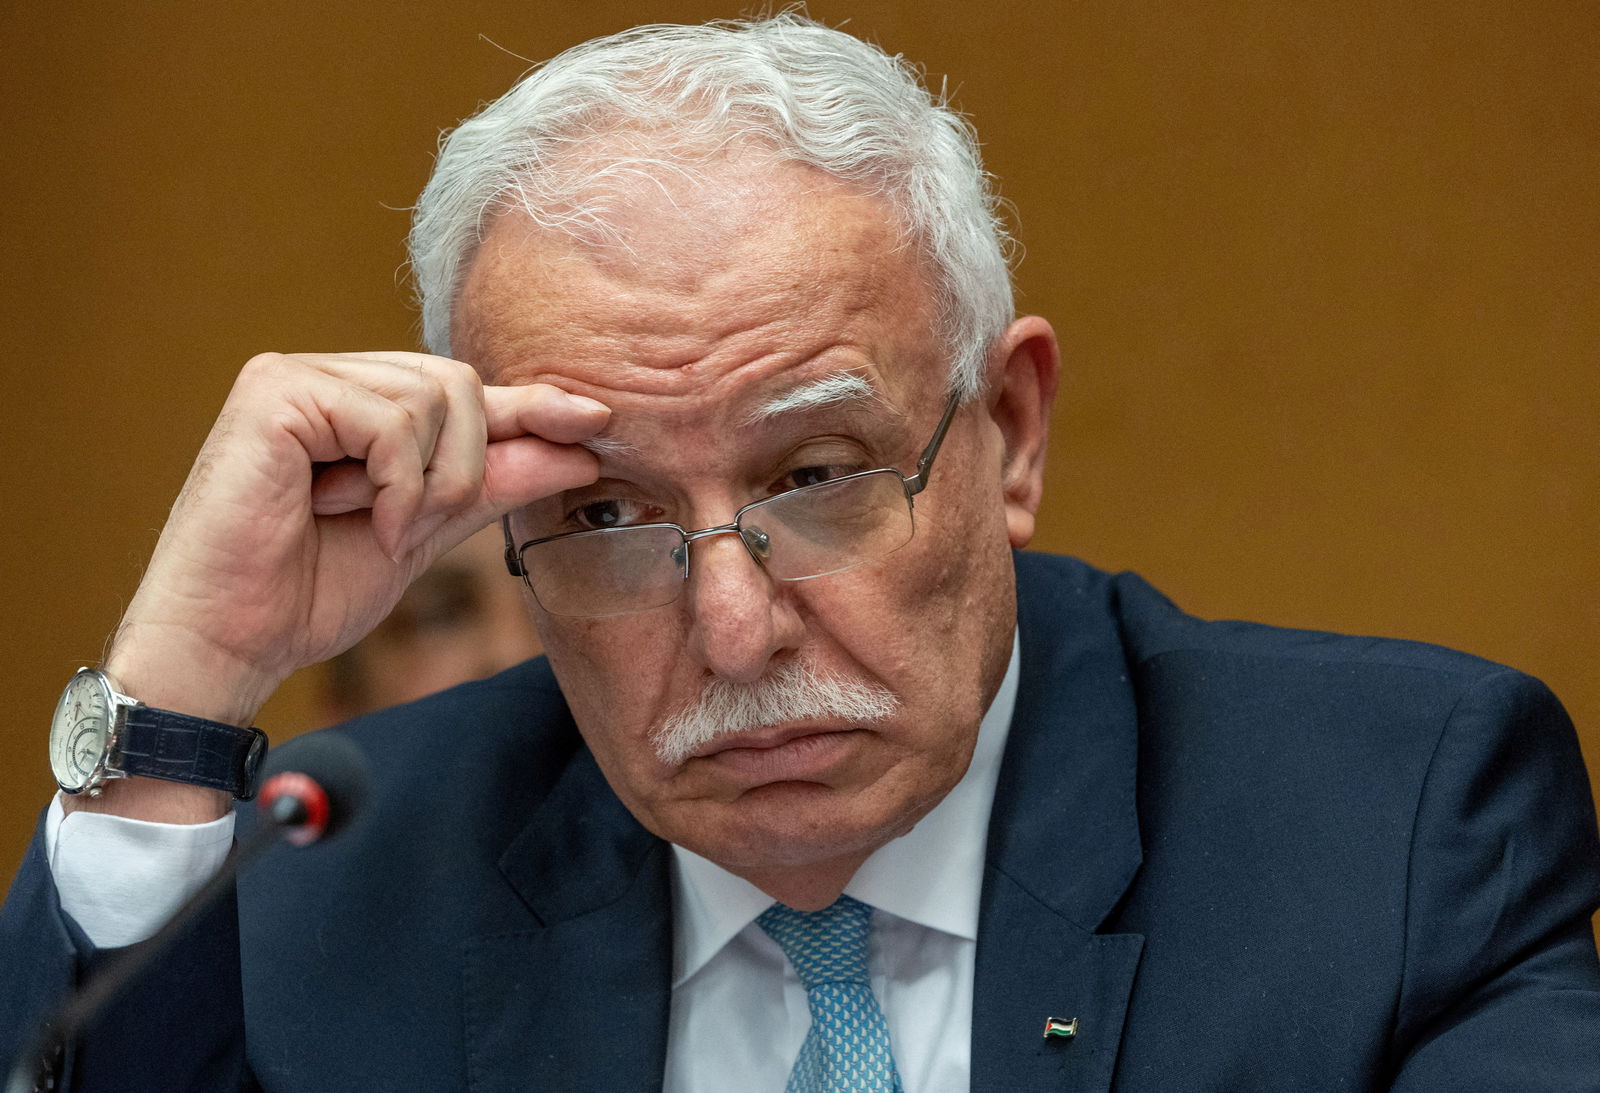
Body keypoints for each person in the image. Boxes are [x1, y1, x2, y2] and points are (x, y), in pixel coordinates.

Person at [3, 14, 1598, 1091]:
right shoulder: (334, 883)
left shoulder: (1392, 834)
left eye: (818, 476)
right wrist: (181, 687)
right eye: (607, 517)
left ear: (1011, 432)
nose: (733, 624)